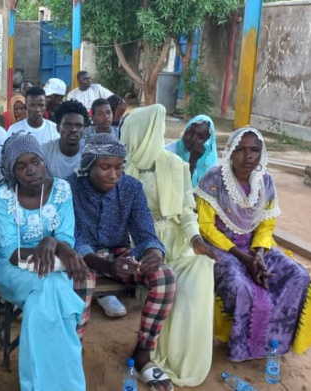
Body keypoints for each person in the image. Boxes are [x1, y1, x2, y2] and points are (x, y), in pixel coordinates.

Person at [196, 127, 311, 362]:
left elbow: (266, 224)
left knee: (297, 275)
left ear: (261, 153)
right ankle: (239, 345)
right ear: (230, 152)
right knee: (238, 285)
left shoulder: (265, 180)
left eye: (254, 150)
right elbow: (206, 227)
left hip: (257, 248)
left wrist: (259, 255)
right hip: (222, 247)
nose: (248, 156)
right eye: (240, 150)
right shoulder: (213, 179)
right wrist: (244, 259)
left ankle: (275, 342)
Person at [67, 132, 175, 391]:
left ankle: (143, 354)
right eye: (105, 167)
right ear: (88, 165)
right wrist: (104, 265)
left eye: (118, 167)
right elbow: (72, 237)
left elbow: (145, 232)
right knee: (82, 277)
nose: (114, 174)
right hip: (82, 256)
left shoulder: (131, 188)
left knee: (164, 277)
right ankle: (72, 352)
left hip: (120, 255)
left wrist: (153, 252)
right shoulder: (69, 187)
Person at [121, 104, 218, 387]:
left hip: (177, 239)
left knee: (200, 271)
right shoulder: (121, 167)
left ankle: (180, 357)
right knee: (166, 279)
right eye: (156, 130)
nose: (161, 135)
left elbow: (187, 211)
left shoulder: (175, 164)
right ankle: (151, 351)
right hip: (141, 242)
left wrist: (197, 240)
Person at [0, 133, 93, 390]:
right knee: (53, 291)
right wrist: (51, 242)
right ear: (12, 171)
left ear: (44, 161)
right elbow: (12, 251)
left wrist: (55, 243)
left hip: (53, 268)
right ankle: (64, 383)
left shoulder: (61, 189)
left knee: (44, 299)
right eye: (21, 166)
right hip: (11, 268)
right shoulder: (2, 194)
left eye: (35, 162)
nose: (31, 170)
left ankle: (39, 383)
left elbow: (66, 236)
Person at [166, 115, 217, 187]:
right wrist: (192, 162)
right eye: (191, 132)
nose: (193, 139)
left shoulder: (210, 162)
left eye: (200, 137)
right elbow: (179, 189)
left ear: (207, 141)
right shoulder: (168, 153)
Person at [41, 100, 86, 179]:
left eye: (78, 125)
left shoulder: (90, 153)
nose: (73, 129)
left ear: (84, 129)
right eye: (67, 125)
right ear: (58, 128)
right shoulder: (44, 151)